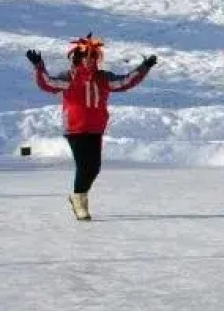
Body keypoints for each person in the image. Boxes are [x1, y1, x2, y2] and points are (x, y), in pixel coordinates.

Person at [26, 35, 157, 221]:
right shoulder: (69, 77)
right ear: (78, 58)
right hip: (75, 128)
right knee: (84, 165)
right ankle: (79, 200)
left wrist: (145, 67)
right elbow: (48, 84)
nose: (89, 60)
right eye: (86, 56)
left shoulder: (103, 77)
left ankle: (77, 196)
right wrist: (39, 66)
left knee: (94, 167)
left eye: (93, 56)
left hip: (96, 127)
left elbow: (125, 81)